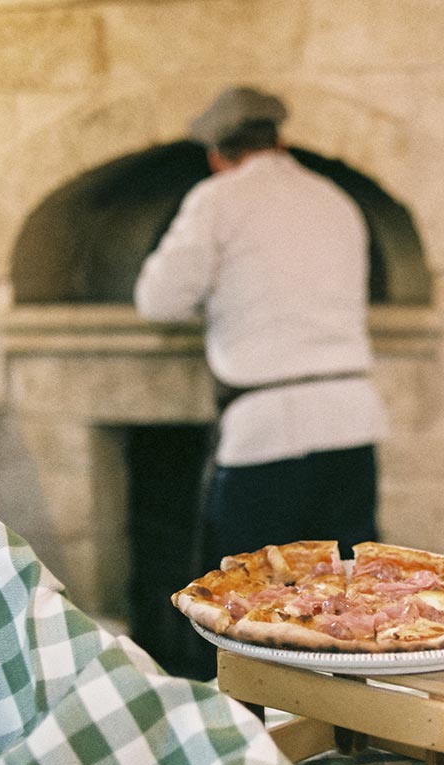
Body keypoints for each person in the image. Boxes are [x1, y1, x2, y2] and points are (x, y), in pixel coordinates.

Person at [134, 85, 387, 580]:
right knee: (350, 592)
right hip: (353, 421)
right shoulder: (335, 199)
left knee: (252, 600)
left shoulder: (216, 198)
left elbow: (157, 302)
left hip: (268, 433)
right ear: (280, 142)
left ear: (216, 156)